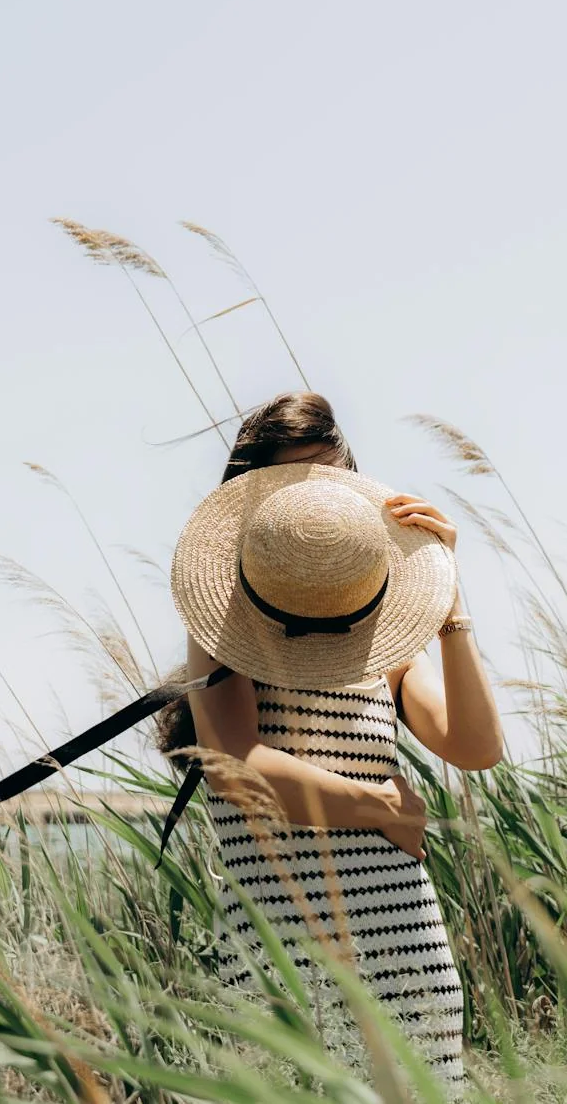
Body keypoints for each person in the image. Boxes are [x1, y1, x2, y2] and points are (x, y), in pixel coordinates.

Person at [162, 391, 504, 1094]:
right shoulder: (227, 620)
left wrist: (450, 609)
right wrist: (381, 806)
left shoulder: (382, 636)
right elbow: (238, 767)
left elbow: (475, 746)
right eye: (291, 488)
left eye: (331, 487)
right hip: (282, 942)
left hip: (404, 936)